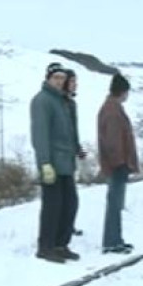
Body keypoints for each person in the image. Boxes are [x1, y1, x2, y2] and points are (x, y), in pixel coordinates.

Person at [30, 62, 81, 263]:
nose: (60, 82)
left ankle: (61, 244)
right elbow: (40, 133)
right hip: (52, 163)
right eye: (56, 78)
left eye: (62, 78)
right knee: (52, 206)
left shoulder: (63, 101)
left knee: (69, 204)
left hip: (66, 162)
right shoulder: (42, 101)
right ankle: (46, 247)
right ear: (48, 78)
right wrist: (44, 163)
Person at [97, 73, 138, 254]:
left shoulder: (111, 108)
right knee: (114, 204)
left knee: (115, 203)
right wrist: (120, 163)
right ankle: (111, 242)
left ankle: (115, 240)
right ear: (123, 92)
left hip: (116, 163)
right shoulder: (113, 111)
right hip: (117, 165)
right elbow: (113, 142)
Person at [63, 69, 87, 237]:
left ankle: (68, 225)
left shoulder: (71, 103)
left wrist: (78, 148)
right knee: (68, 197)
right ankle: (65, 227)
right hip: (60, 156)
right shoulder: (61, 103)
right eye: (72, 82)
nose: (75, 85)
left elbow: (73, 130)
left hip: (69, 154)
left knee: (71, 197)